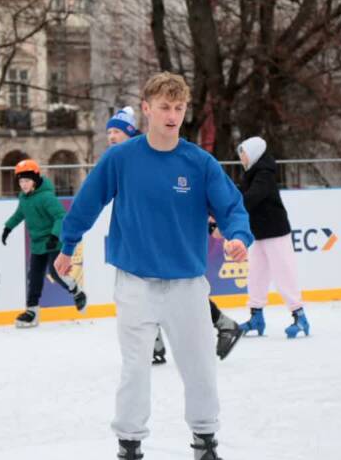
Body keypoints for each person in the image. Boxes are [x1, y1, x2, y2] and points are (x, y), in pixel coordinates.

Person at [55, 73, 252, 460]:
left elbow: (233, 208)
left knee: (201, 368)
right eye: (164, 107)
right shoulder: (121, 159)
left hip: (187, 284)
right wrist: (68, 245)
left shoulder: (199, 163)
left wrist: (238, 235)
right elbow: (87, 201)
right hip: (136, 282)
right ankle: (129, 456)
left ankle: (206, 452)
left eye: (179, 109)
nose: (172, 116)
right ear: (146, 108)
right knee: (135, 370)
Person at [104, 106, 243, 364]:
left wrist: (212, 222)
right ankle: (157, 344)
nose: (111, 137)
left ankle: (222, 324)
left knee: (177, 293)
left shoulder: (148, 155)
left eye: (116, 131)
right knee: (148, 290)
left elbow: (187, 192)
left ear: (130, 133)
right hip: (145, 243)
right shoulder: (119, 161)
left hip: (172, 239)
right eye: (108, 132)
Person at [235, 137, 309, 339]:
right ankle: (256, 317)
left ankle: (300, 316)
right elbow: (243, 195)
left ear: (253, 153)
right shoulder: (251, 173)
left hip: (275, 231)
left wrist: (232, 209)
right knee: (256, 274)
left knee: (284, 273)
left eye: (243, 153)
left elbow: (251, 198)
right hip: (258, 232)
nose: (241, 157)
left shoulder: (264, 174)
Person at [2, 159, 87, 328]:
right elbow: (20, 214)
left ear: (35, 180)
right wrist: (8, 228)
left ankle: (75, 289)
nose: (23, 185)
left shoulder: (46, 197)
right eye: (21, 181)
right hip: (37, 245)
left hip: (52, 243)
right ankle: (32, 312)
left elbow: (61, 216)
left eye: (26, 181)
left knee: (56, 274)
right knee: (33, 277)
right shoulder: (24, 198)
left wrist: (54, 237)